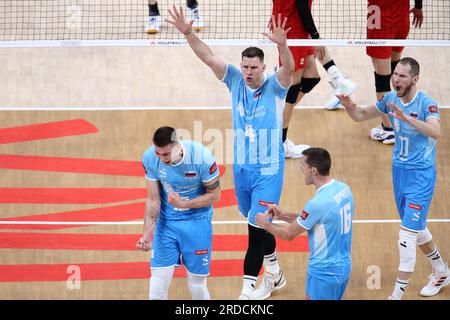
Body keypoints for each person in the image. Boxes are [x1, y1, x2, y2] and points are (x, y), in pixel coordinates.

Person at [167, 8, 293, 300]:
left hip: (268, 171)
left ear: (264, 68)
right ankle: (275, 272)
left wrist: (283, 45)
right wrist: (188, 33)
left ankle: (248, 290)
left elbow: (289, 69)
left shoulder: (276, 87)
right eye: (246, 67)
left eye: (254, 68)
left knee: (254, 231)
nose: (249, 72)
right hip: (242, 170)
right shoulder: (235, 79)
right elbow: (208, 56)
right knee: (258, 222)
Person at [336, 57, 450, 299]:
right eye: (395, 74)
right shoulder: (389, 99)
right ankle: (441, 270)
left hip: (421, 176)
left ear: (415, 79)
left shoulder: (426, 103)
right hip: (399, 173)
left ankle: (396, 295)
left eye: (402, 76)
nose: (396, 79)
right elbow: (360, 115)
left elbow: (436, 131)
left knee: (406, 234)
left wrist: (407, 118)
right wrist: (348, 105)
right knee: (417, 230)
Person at [255, 147, 354, 300]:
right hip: (343, 267)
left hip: (323, 272)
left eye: (303, 165)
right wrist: (282, 215)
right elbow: (317, 221)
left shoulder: (318, 203)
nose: (301, 169)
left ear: (314, 171)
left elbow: (289, 234)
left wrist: (265, 224)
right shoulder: (344, 189)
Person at [136, 126, 221, 300]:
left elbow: (215, 195)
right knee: (157, 286)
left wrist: (184, 204)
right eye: (158, 153)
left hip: (197, 221)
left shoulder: (202, 158)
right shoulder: (151, 158)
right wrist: (146, 235)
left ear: (177, 146)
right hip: (167, 224)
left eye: (165, 154)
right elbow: (153, 200)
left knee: (196, 284)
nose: (161, 158)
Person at [272, 0, 356, 158]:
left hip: (293, 25)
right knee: (293, 86)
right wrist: (316, 38)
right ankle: (280, 144)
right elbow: (302, 5)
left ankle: (277, 113)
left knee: (311, 76)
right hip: (292, 30)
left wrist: (277, 12)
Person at [367, 0, 424, 145]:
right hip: (401, 20)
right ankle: (407, 117)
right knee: (395, 73)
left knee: (382, 79)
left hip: (380, 21)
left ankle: (388, 129)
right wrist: (418, 6)